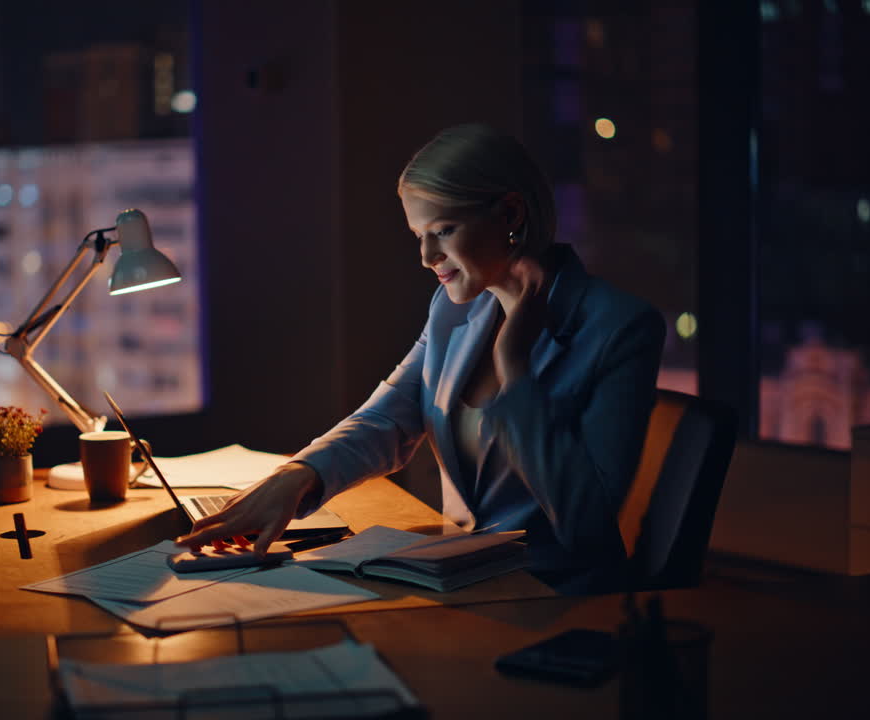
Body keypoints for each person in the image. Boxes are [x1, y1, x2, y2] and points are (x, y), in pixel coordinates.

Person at [177, 123, 665, 593]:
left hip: (557, 597)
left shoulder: (619, 327)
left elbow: (587, 527)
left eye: (444, 230)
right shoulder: (455, 310)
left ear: (511, 214)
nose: (427, 256)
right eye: (419, 236)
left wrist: (514, 366)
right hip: (463, 580)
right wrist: (297, 476)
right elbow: (388, 417)